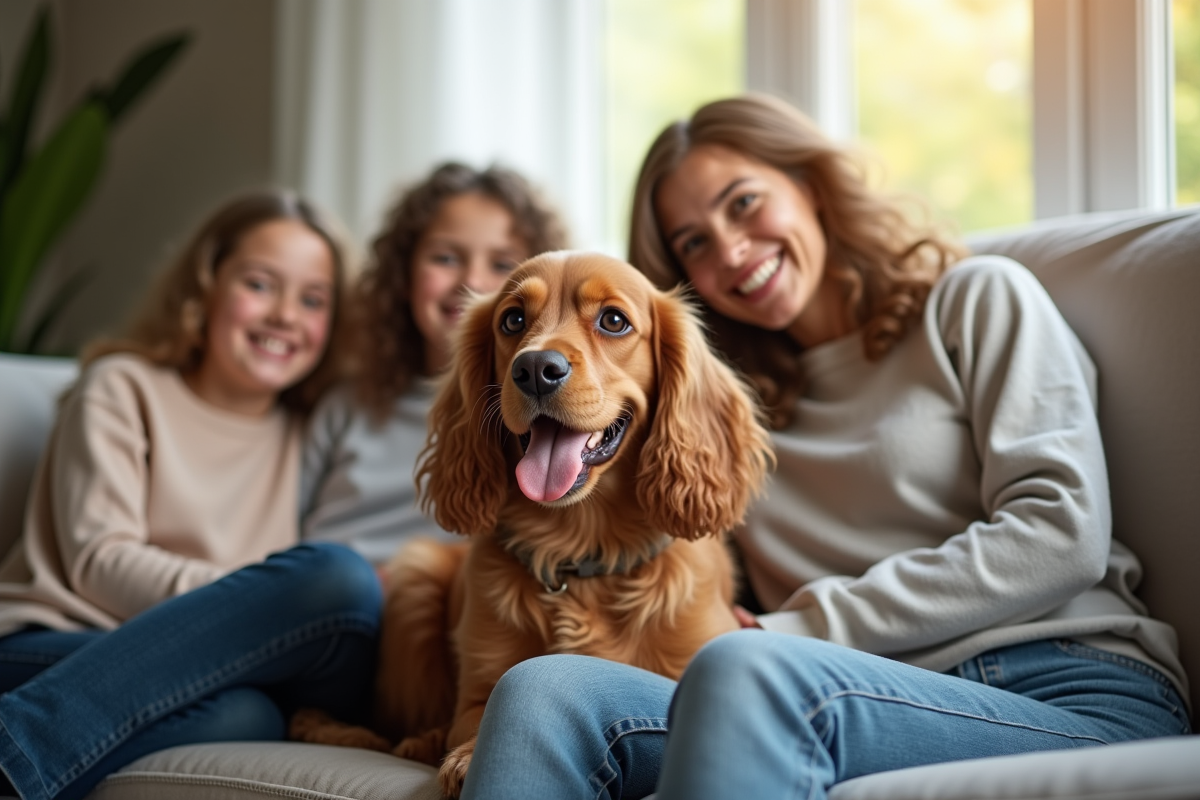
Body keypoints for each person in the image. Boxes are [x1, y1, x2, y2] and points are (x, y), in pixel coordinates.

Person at [456, 94, 1191, 800]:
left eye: (744, 203)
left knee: (741, 668)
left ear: (810, 186)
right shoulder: (714, 402)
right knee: (540, 691)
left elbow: (1062, 537)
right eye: (694, 243)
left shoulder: (977, 299)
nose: (732, 249)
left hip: (1065, 683)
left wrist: (799, 628)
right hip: (849, 692)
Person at [0, 190, 382, 800]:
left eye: (313, 299)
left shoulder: (308, 432)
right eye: (260, 284)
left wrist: (257, 609)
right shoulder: (122, 388)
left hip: (208, 673)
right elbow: (99, 560)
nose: (286, 315)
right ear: (204, 288)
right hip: (55, 638)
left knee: (249, 715)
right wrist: (255, 602)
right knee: (336, 575)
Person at [300, 162, 569, 565]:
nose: (472, 281)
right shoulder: (344, 406)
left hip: (436, 592)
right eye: (445, 258)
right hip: (320, 587)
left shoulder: (538, 419)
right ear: (403, 277)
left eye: (502, 265)